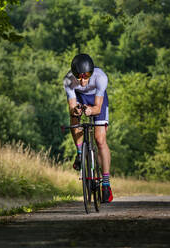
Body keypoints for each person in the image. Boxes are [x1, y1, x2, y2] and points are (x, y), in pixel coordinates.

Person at [63, 53, 113, 203]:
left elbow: (98, 107)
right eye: (80, 77)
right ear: (74, 74)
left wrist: (91, 110)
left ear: (92, 73)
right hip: (79, 97)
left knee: (100, 139)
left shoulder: (101, 77)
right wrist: (76, 110)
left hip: (97, 99)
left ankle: (105, 183)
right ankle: (80, 152)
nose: (83, 80)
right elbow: (72, 106)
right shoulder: (68, 80)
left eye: (87, 76)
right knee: (74, 117)